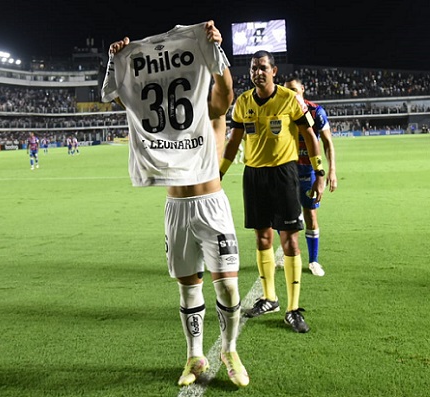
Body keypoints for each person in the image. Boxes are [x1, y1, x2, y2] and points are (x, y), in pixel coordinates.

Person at [102, 21, 249, 388]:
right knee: (189, 288)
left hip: (211, 202)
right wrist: (118, 61)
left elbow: (226, 94)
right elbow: (126, 97)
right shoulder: (158, 111)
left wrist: (217, 49)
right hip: (177, 208)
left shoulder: (207, 104)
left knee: (228, 287)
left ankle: (229, 349)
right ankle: (194, 356)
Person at [220, 50, 326, 333]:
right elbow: (233, 143)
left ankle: (293, 309)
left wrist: (320, 173)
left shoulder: (289, 99)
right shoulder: (242, 103)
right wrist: (219, 173)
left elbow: (309, 136)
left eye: (263, 67)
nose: (258, 72)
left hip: (284, 174)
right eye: (254, 68)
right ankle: (269, 298)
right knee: (262, 237)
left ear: (274, 71)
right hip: (254, 175)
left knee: (289, 240)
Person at [284, 76, 338, 277]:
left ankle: (313, 261)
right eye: (287, 91)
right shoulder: (281, 112)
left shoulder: (316, 112)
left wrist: (330, 171)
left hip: (308, 171)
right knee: (282, 214)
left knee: (310, 214)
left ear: (303, 89)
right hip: (286, 170)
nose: (291, 94)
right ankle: (287, 251)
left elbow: (327, 142)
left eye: (294, 90)